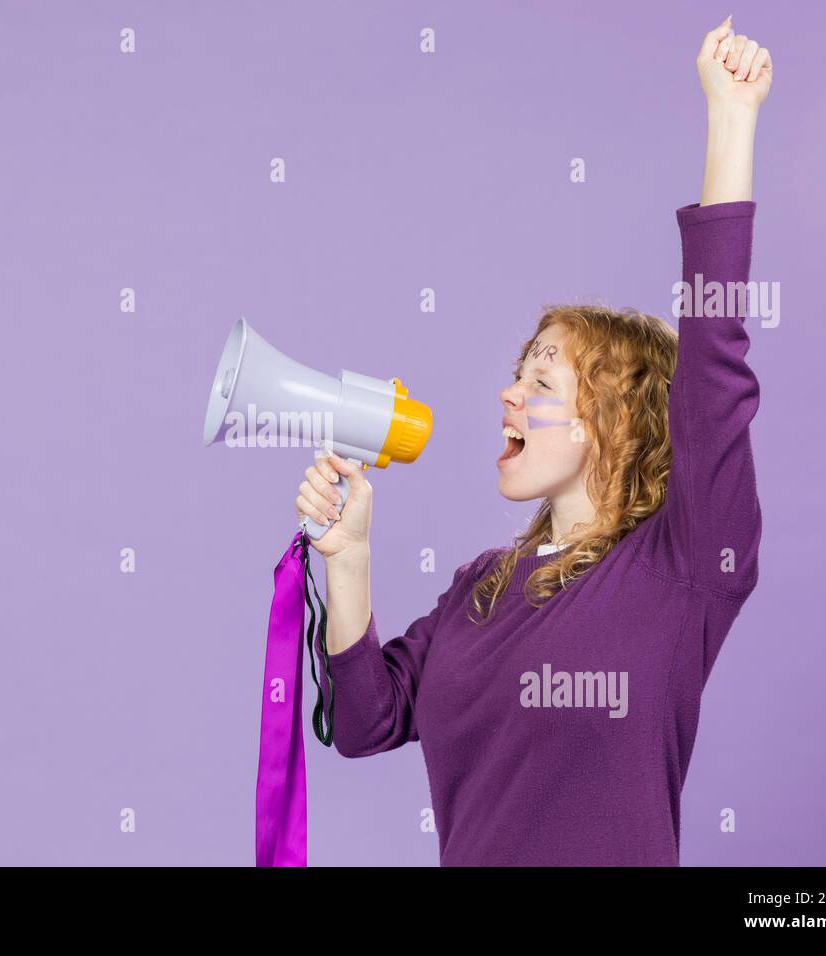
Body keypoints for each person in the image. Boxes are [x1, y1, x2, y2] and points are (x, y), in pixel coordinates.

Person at [293, 16, 770, 866]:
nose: (508, 393)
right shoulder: (482, 586)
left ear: (615, 424)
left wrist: (730, 120)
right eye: (521, 369)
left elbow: (715, 374)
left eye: (542, 382)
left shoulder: (684, 566)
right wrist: (350, 555)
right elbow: (364, 723)